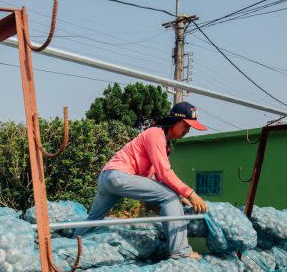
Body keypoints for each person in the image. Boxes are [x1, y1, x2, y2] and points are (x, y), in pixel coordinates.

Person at [75, 101, 208, 259]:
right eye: (186, 125)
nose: (188, 130)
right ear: (174, 121)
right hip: (119, 176)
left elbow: (158, 177)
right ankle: (180, 251)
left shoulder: (162, 143)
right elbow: (165, 173)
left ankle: (68, 241)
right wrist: (191, 193)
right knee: (169, 196)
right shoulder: (155, 133)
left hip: (107, 177)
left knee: (93, 219)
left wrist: (183, 197)